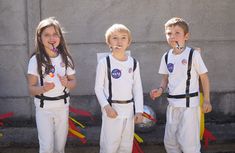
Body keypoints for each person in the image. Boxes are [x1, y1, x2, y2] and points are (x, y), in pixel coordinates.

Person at [150, 17, 212, 153]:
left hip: (189, 105)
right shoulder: (166, 56)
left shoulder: (193, 54)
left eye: (177, 33)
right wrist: (160, 90)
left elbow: (204, 78)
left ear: (186, 36)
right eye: (169, 33)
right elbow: (165, 79)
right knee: (170, 142)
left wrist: (207, 100)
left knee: (189, 143)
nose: (172, 36)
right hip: (172, 105)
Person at [27, 17, 76, 153]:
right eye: (47, 35)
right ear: (40, 37)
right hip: (44, 109)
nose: (51, 38)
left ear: (60, 36)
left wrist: (67, 82)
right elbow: (31, 89)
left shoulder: (65, 58)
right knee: (46, 147)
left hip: (62, 107)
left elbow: (73, 82)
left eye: (55, 34)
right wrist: (43, 88)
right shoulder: (35, 60)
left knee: (59, 147)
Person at [95, 24, 144, 153]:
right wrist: (106, 107)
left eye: (123, 38)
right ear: (108, 42)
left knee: (126, 146)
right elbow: (98, 88)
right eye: (115, 38)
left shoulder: (133, 63)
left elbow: (137, 88)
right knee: (109, 146)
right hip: (112, 110)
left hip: (129, 111)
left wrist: (138, 110)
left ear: (129, 42)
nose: (119, 41)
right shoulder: (105, 62)